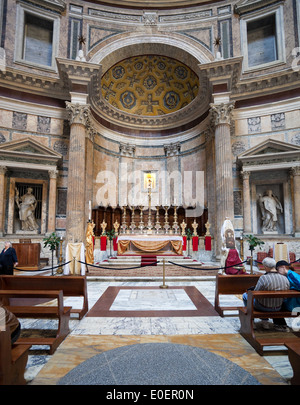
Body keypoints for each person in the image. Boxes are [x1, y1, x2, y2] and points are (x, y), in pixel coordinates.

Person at [242, 257, 290, 330]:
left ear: (266, 267)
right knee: (264, 299)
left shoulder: (263, 278)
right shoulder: (284, 278)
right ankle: (265, 322)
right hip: (278, 307)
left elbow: (255, 293)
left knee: (245, 296)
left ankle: (251, 321)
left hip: (263, 307)